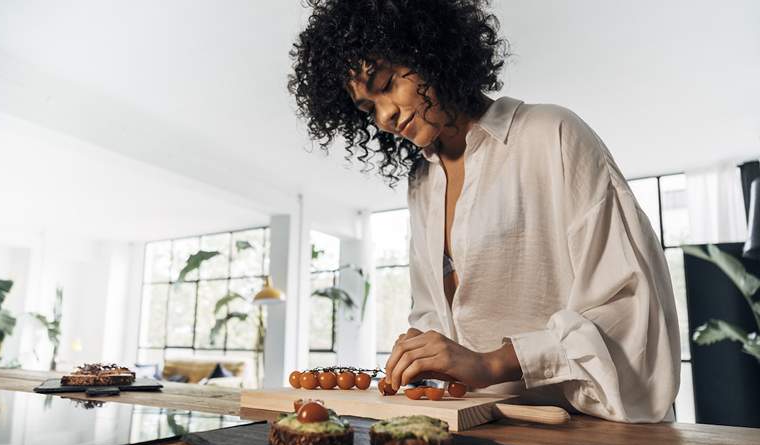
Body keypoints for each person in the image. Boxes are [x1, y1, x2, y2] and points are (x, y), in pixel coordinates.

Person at [289, 0, 680, 422]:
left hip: (594, 435)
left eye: (385, 84)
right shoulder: (422, 182)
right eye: (368, 109)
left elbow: (632, 311)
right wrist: (424, 352)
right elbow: (434, 313)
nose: (384, 116)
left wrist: (491, 364)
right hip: (479, 430)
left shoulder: (552, 135)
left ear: (428, 49)